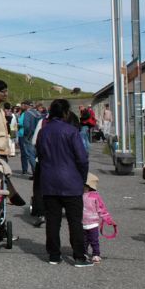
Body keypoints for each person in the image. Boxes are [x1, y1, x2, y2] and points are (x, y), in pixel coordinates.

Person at [36, 98, 91, 267]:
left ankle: (54, 255)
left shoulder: (43, 132)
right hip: (71, 181)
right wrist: (82, 178)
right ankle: (79, 256)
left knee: (52, 220)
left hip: (49, 181)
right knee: (75, 221)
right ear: (66, 112)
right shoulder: (71, 131)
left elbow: (40, 154)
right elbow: (82, 159)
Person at [81, 173, 115, 263]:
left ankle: (96, 254)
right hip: (82, 222)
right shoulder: (79, 194)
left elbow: (101, 208)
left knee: (94, 240)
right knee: (83, 240)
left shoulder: (94, 196)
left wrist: (107, 218)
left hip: (93, 223)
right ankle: (84, 252)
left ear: (88, 186)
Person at [19, 101, 43, 178]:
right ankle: (39, 172)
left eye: (23, 105)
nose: (22, 106)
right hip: (39, 135)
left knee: (30, 155)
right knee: (37, 155)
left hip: (30, 136)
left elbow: (26, 126)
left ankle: (36, 173)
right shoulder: (38, 113)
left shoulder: (27, 113)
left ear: (27, 106)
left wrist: (26, 135)